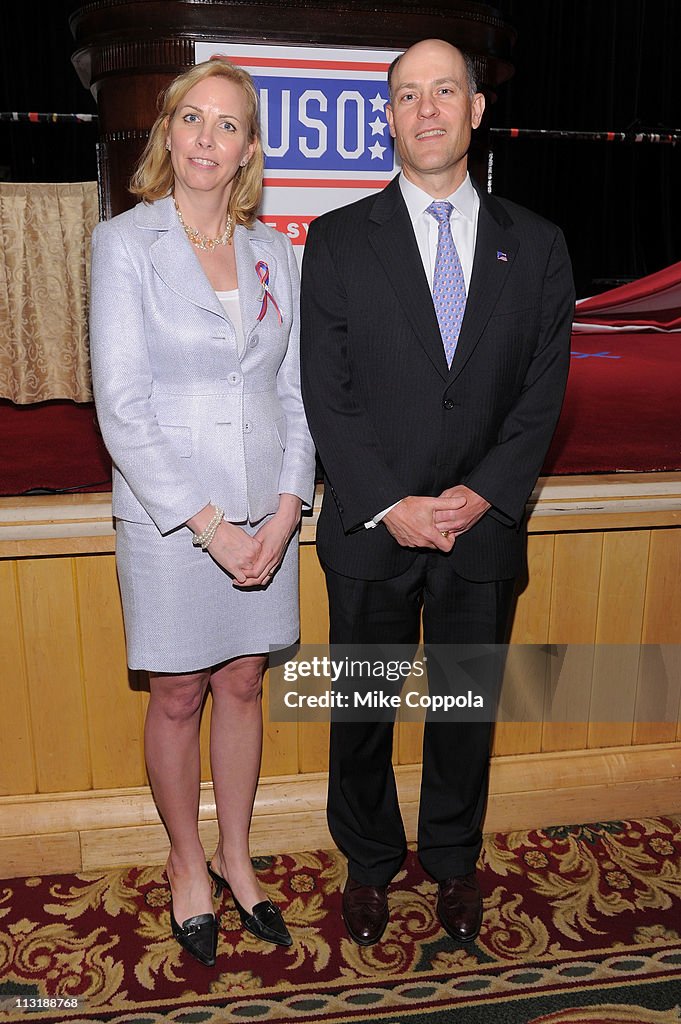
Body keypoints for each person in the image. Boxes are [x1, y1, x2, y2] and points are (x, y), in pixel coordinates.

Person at [299, 39, 574, 947]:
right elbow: (325, 391)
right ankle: (369, 862)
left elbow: (542, 391)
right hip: (375, 526)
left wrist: (483, 493)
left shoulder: (535, 246)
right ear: (386, 117)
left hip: (480, 528)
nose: (426, 110)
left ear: (475, 110)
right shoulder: (338, 240)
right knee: (364, 712)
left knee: (464, 712)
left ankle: (453, 862)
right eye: (407, 95)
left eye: (443, 91)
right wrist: (390, 501)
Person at [89, 58, 316, 967]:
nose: (207, 139)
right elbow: (122, 408)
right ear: (167, 133)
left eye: (228, 125)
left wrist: (289, 504)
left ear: (249, 149)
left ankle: (235, 853)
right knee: (179, 691)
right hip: (171, 515)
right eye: (193, 119)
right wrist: (211, 525)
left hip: (267, 513)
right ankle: (186, 860)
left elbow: (293, 393)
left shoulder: (274, 251)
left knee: (245, 683)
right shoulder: (124, 243)